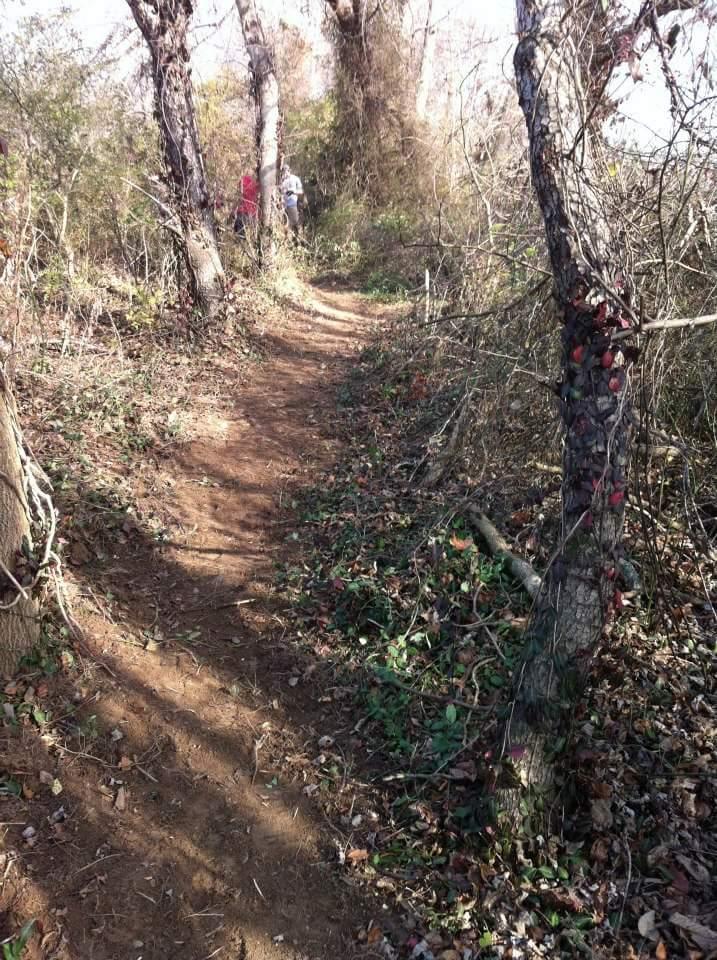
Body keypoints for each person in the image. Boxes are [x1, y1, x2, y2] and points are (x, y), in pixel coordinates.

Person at [233, 173, 259, 238]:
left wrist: (233, 210)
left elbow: (239, 197)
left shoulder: (243, 180)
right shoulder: (258, 183)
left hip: (243, 213)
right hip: (252, 214)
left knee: (239, 237)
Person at [281, 165, 303, 234]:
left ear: (289, 171)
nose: (285, 173)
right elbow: (281, 193)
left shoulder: (295, 179)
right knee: (285, 225)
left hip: (292, 203)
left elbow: (301, 191)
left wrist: (293, 192)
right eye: (283, 172)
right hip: (283, 206)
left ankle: (299, 237)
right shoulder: (283, 181)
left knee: (295, 222)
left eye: (286, 171)